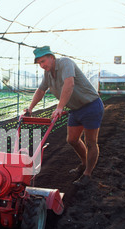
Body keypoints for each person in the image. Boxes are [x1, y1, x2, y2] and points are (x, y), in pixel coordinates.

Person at [24, 46, 104, 187]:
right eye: (40, 63)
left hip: (91, 106)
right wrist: (30, 109)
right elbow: (41, 90)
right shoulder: (48, 74)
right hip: (75, 109)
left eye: (44, 61)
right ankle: (84, 163)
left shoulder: (65, 63)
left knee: (91, 142)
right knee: (72, 140)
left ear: (52, 57)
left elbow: (69, 84)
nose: (43, 65)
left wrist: (59, 107)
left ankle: (88, 173)